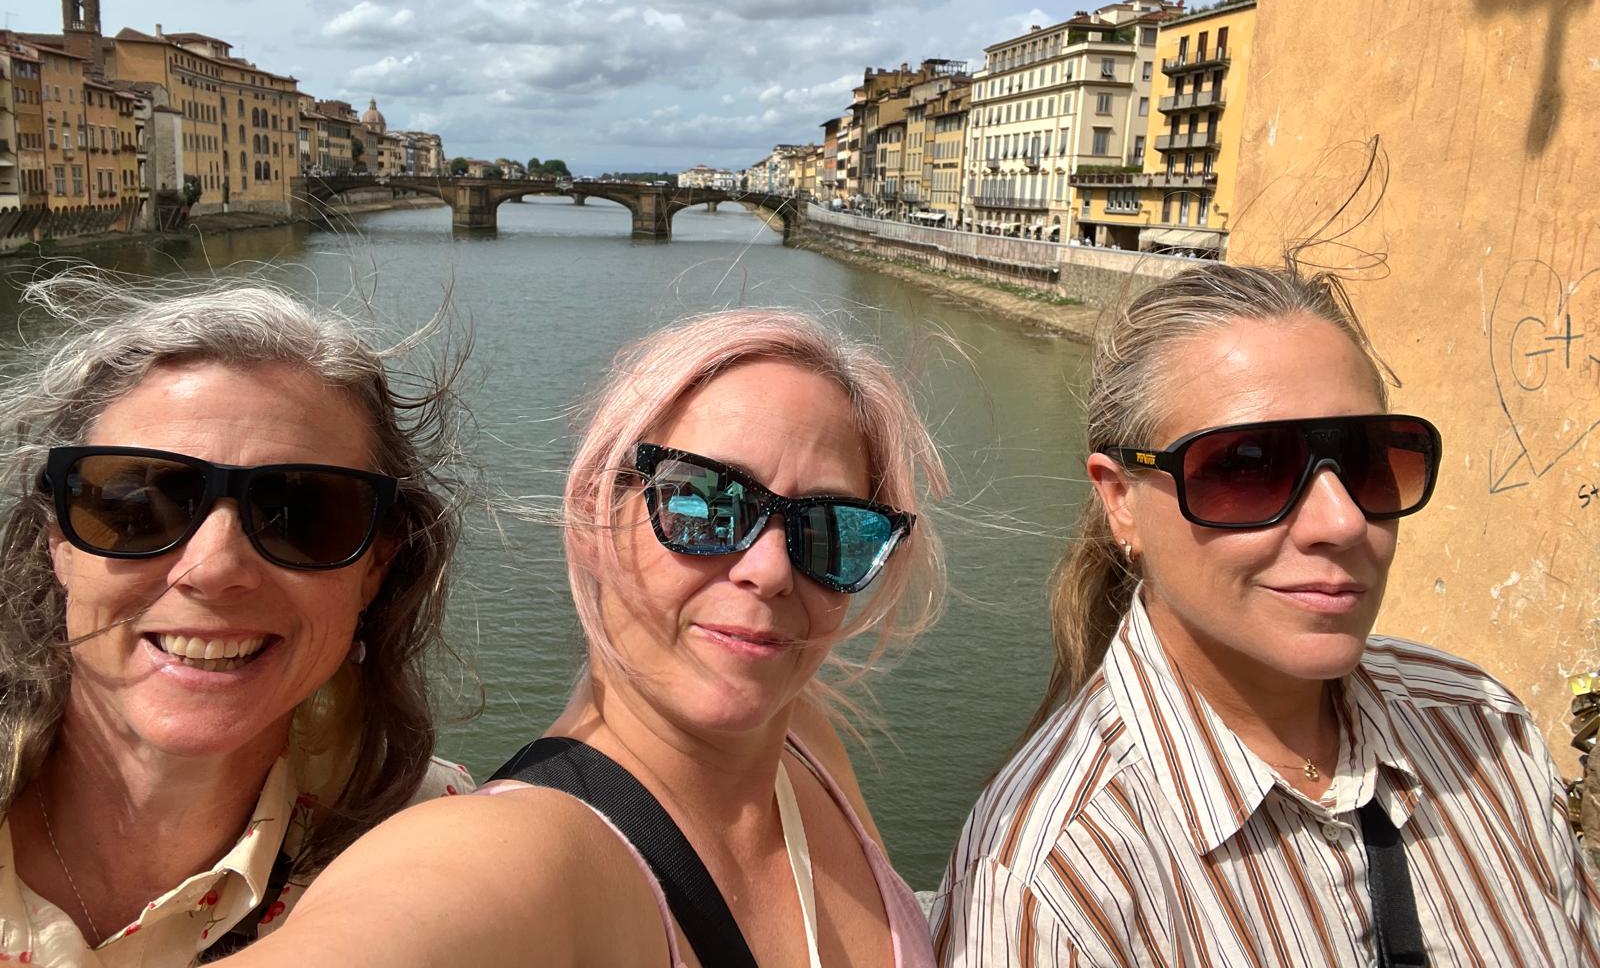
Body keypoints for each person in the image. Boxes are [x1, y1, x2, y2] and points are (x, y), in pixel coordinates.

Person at [213, 308, 947, 967]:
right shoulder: (521, 856)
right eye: (703, 503)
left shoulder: (805, 743)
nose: (771, 569)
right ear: (596, 512)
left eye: (833, 532)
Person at [933, 260, 1600, 965]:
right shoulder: (1057, 880)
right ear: (1119, 498)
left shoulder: (1483, 728)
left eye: (1369, 458)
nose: (1341, 521)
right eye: (1248, 464)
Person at [0, 272, 474, 966]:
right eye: (138, 505)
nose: (215, 567)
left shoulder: (446, 850)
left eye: (301, 513)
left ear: (376, 566)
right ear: (58, 542)